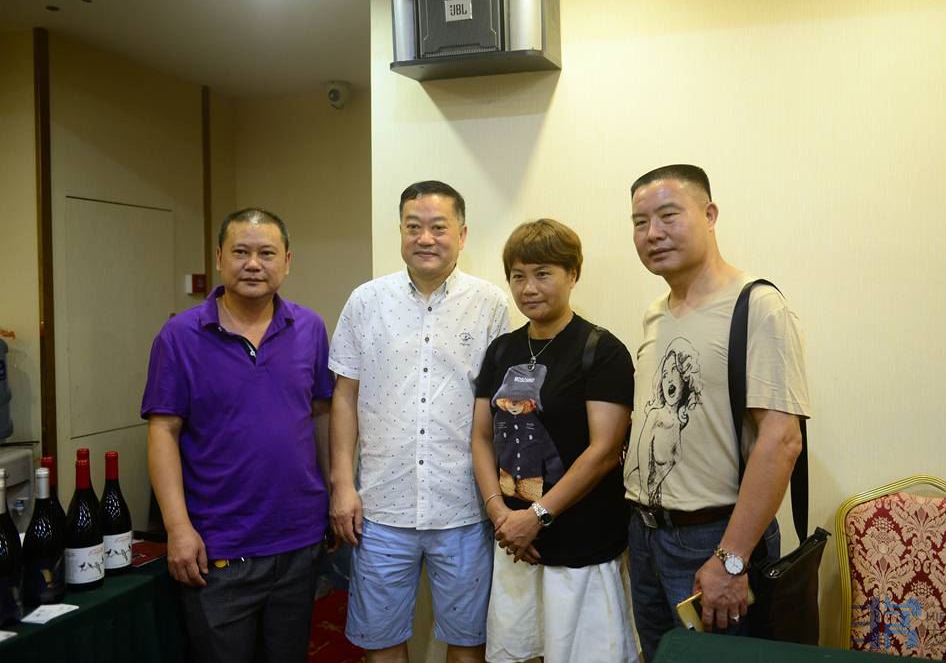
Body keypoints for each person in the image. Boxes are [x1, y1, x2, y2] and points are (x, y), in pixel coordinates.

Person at [624, 164, 811, 658]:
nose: (653, 233)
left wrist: (731, 559)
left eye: (668, 216)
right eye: (640, 222)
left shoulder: (756, 305)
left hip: (712, 539)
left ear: (709, 215)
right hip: (645, 535)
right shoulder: (655, 313)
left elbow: (781, 440)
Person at [328, 180, 510, 663]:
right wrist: (342, 484)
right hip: (380, 508)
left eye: (438, 227)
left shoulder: (491, 304)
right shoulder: (366, 301)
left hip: (465, 507)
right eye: (414, 227)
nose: (425, 238)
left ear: (462, 234)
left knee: (468, 642)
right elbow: (344, 396)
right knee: (380, 641)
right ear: (401, 232)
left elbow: (501, 407)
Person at [142, 208, 333, 663]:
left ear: (287, 261)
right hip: (218, 548)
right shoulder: (180, 336)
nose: (253, 264)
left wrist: (333, 494)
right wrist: (178, 528)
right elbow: (163, 431)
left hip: (298, 541)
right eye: (240, 252)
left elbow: (321, 416)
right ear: (219, 258)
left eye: (266, 253)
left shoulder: (309, 329)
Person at [472, 219, 639, 663]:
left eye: (543, 273)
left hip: (581, 542)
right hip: (515, 542)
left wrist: (537, 516)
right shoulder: (501, 350)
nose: (529, 288)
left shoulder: (601, 350)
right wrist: (500, 514)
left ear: (572, 274)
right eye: (518, 276)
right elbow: (481, 436)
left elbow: (604, 452)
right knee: (517, 652)